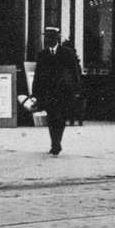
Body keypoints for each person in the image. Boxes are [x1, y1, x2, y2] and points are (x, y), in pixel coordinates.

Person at [31, 27, 81, 155]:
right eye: (47, 37)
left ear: (57, 38)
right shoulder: (42, 54)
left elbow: (74, 72)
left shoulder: (67, 52)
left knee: (61, 118)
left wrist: (76, 90)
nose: (48, 39)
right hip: (48, 93)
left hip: (64, 92)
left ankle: (56, 142)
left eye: (51, 37)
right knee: (52, 118)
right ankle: (55, 143)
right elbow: (38, 75)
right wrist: (35, 93)